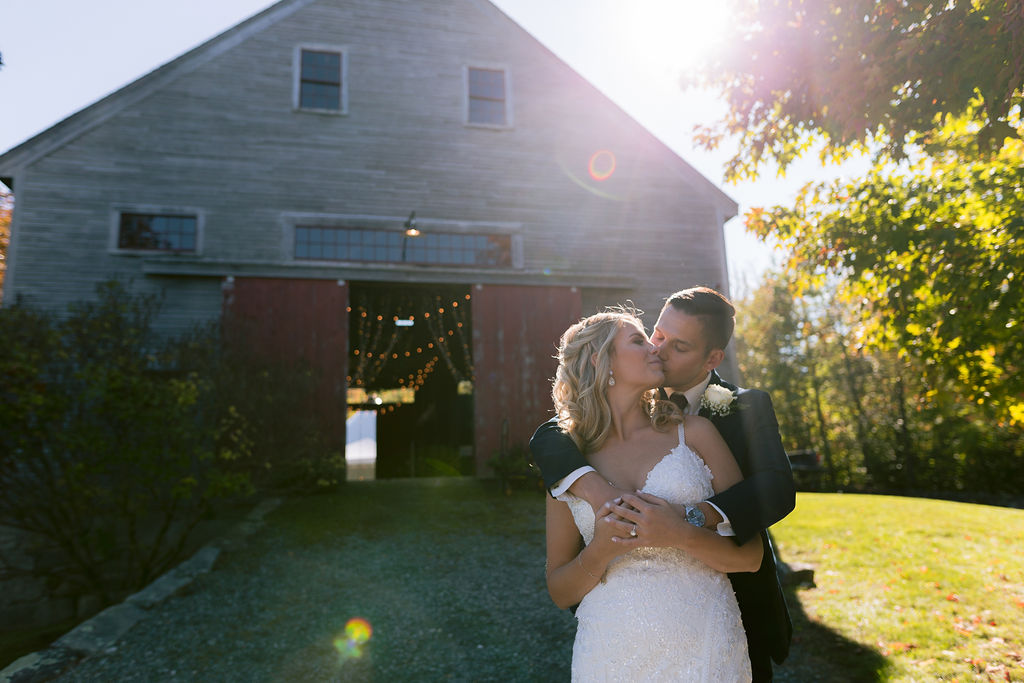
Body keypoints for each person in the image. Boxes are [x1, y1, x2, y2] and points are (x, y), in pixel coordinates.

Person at [532, 287, 795, 682]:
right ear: (602, 363)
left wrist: (686, 522)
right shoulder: (569, 456)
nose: (658, 349)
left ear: (712, 359)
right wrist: (598, 526)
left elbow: (774, 492)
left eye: (679, 346)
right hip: (614, 643)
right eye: (652, 336)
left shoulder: (719, 420)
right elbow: (552, 435)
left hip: (714, 627)